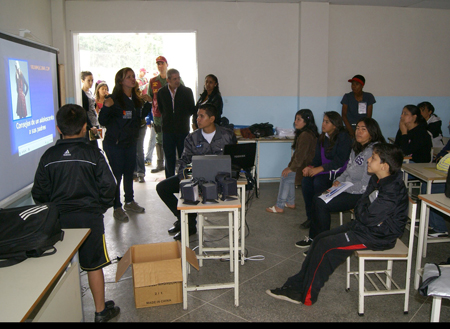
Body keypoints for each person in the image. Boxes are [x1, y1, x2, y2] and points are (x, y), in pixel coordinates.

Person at [266, 143, 408, 306]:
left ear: (384, 166)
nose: (369, 160)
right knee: (320, 239)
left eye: (373, 158)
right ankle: (297, 283)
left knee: (327, 247)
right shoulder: (377, 178)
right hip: (366, 227)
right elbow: (363, 205)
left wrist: (362, 211)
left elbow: (366, 215)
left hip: (378, 236)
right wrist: (362, 211)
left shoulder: (392, 190)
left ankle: (306, 295)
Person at [31, 104, 120, 322]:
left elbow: (39, 192)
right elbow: (109, 185)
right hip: (89, 218)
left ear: (58, 128)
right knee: (94, 264)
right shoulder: (93, 153)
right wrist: (100, 207)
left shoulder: (48, 156)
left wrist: (53, 210)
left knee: (60, 266)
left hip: (58, 221)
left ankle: (62, 312)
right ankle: (100, 312)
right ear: (84, 127)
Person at [297, 118, 386, 249]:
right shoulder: (356, 147)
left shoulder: (373, 152)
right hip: (347, 187)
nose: (358, 132)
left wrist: (343, 188)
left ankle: (322, 244)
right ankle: (313, 238)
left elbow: (365, 185)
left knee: (321, 203)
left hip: (361, 194)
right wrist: (337, 181)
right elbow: (347, 170)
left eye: (363, 129)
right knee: (318, 198)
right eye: (357, 129)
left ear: (372, 132)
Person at [156, 103, 237, 240]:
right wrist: (184, 178)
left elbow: (235, 159)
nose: (197, 119)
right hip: (196, 178)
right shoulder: (192, 138)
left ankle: (187, 221)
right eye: (197, 116)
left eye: (201, 116)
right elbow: (184, 161)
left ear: (212, 119)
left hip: (220, 181)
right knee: (162, 188)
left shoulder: (227, 135)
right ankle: (186, 220)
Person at [98, 67, 151, 222]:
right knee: (117, 176)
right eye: (128, 77)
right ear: (121, 81)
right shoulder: (113, 99)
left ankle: (129, 202)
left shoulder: (135, 99)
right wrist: (106, 108)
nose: (132, 79)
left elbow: (139, 117)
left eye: (133, 76)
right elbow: (102, 121)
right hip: (115, 144)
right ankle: (116, 207)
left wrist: (147, 104)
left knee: (129, 173)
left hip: (130, 143)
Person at [300, 111, 352, 229]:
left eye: (327, 122)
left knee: (318, 182)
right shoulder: (322, 137)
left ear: (335, 124)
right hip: (325, 170)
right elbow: (317, 158)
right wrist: (311, 167)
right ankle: (311, 217)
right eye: (323, 121)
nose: (323, 124)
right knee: (306, 181)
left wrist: (321, 168)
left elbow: (340, 161)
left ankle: (319, 217)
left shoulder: (343, 136)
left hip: (338, 173)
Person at [266, 109, 319, 213]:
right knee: (287, 174)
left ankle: (279, 206)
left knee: (285, 176)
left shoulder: (305, 135)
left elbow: (300, 156)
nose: (295, 122)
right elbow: (297, 155)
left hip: (306, 167)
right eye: (295, 119)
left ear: (306, 121)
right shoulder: (305, 133)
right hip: (303, 165)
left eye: (299, 119)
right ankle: (290, 202)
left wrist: (291, 168)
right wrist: (290, 167)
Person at [157, 68, 196, 178]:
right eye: (174, 79)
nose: (177, 81)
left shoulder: (187, 91)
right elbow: (161, 109)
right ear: (168, 80)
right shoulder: (161, 92)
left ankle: (186, 179)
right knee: (169, 157)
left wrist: (183, 118)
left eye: (178, 78)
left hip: (182, 130)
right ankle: (169, 180)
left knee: (185, 157)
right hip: (167, 130)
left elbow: (191, 109)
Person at [148, 56, 169, 173]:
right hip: (157, 114)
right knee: (159, 137)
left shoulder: (172, 79)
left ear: (167, 64)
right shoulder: (153, 81)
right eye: (158, 64)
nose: (160, 66)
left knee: (171, 136)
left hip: (170, 114)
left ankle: (174, 162)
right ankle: (160, 163)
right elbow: (151, 97)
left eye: (162, 63)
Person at [134, 81, 149, 183]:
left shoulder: (140, 98)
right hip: (129, 127)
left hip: (140, 126)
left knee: (139, 150)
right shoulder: (124, 98)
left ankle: (141, 173)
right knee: (132, 149)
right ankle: (134, 172)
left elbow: (143, 114)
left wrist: (149, 102)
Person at [81, 71, 100, 146]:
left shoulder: (90, 92)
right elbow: (84, 111)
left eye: (92, 80)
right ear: (83, 81)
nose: (91, 82)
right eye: (88, 80)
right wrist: (90, 126)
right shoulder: (82, 93)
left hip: (95, 122)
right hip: (90, 125)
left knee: (95, 144)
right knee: (92, 145)